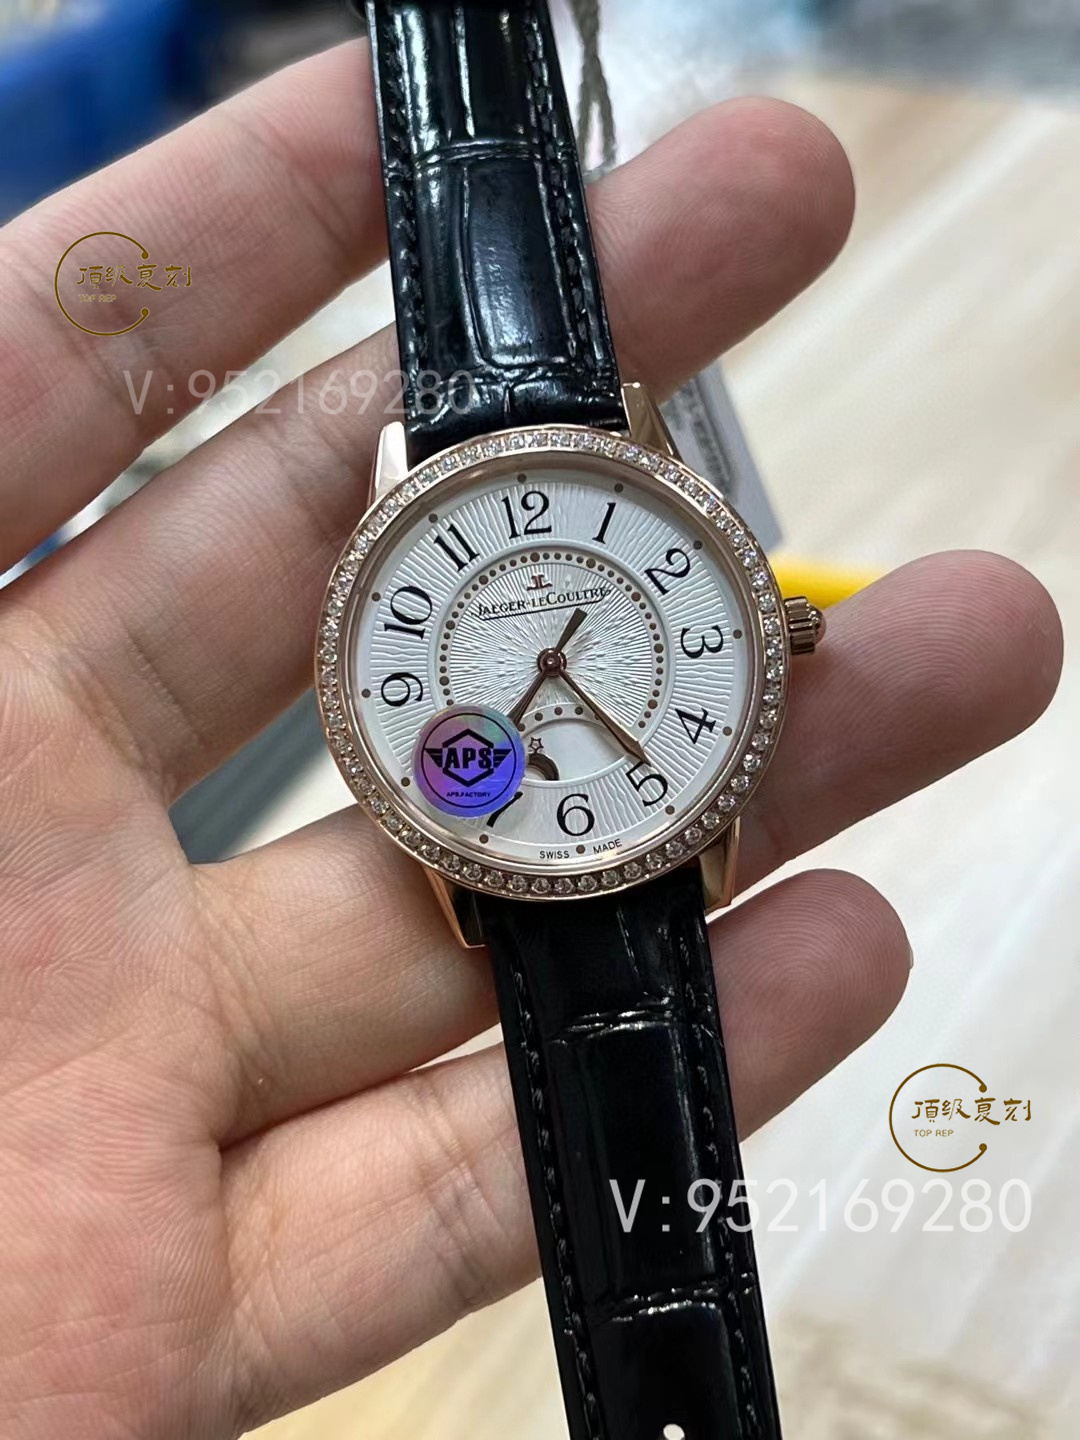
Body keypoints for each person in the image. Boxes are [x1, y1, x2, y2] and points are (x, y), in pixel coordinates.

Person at [0, 37, 1062, 1440]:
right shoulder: (446, 594)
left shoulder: (622, 529)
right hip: (521, 832)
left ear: (769, 626)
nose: (551, 665)